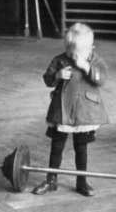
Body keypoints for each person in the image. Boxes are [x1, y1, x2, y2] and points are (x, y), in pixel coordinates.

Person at [31, 23, 108, 197]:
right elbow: (47, 79)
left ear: (90, 48)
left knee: (81, 147)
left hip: (84, 112)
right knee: (56, 146)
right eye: (69, 51)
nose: (73, 57)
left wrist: (87, 67)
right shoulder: (59, 60)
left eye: (78, 53)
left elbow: (101, 78)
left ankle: (82, 181)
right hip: (62, 111)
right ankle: (51, 180)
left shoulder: (94, 60)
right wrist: (57, 76)